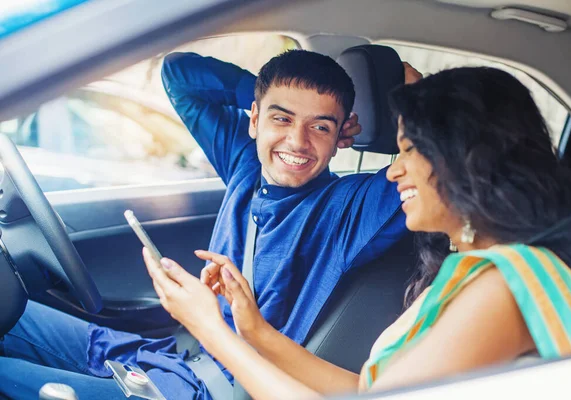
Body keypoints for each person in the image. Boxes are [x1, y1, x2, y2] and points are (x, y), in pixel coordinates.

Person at [143, 66, 571, 399]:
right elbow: (367, 389)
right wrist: (253, 329)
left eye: (408, 150)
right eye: (281, 118)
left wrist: (208, 325)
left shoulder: (503, 284)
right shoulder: (462, 274)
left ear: (467, 161)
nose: (393, 170)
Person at [0, 50, 421, 399]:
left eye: (320, 127)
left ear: (339, 135)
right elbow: (179, 74)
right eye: (282, 118)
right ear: (253, 119)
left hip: (208, 391)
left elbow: (435, 163)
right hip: (171, 357)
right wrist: (258, 90)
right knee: (11, 313)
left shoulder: (352, 206)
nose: (297, 141)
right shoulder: (244, 163)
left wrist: (408, 85)